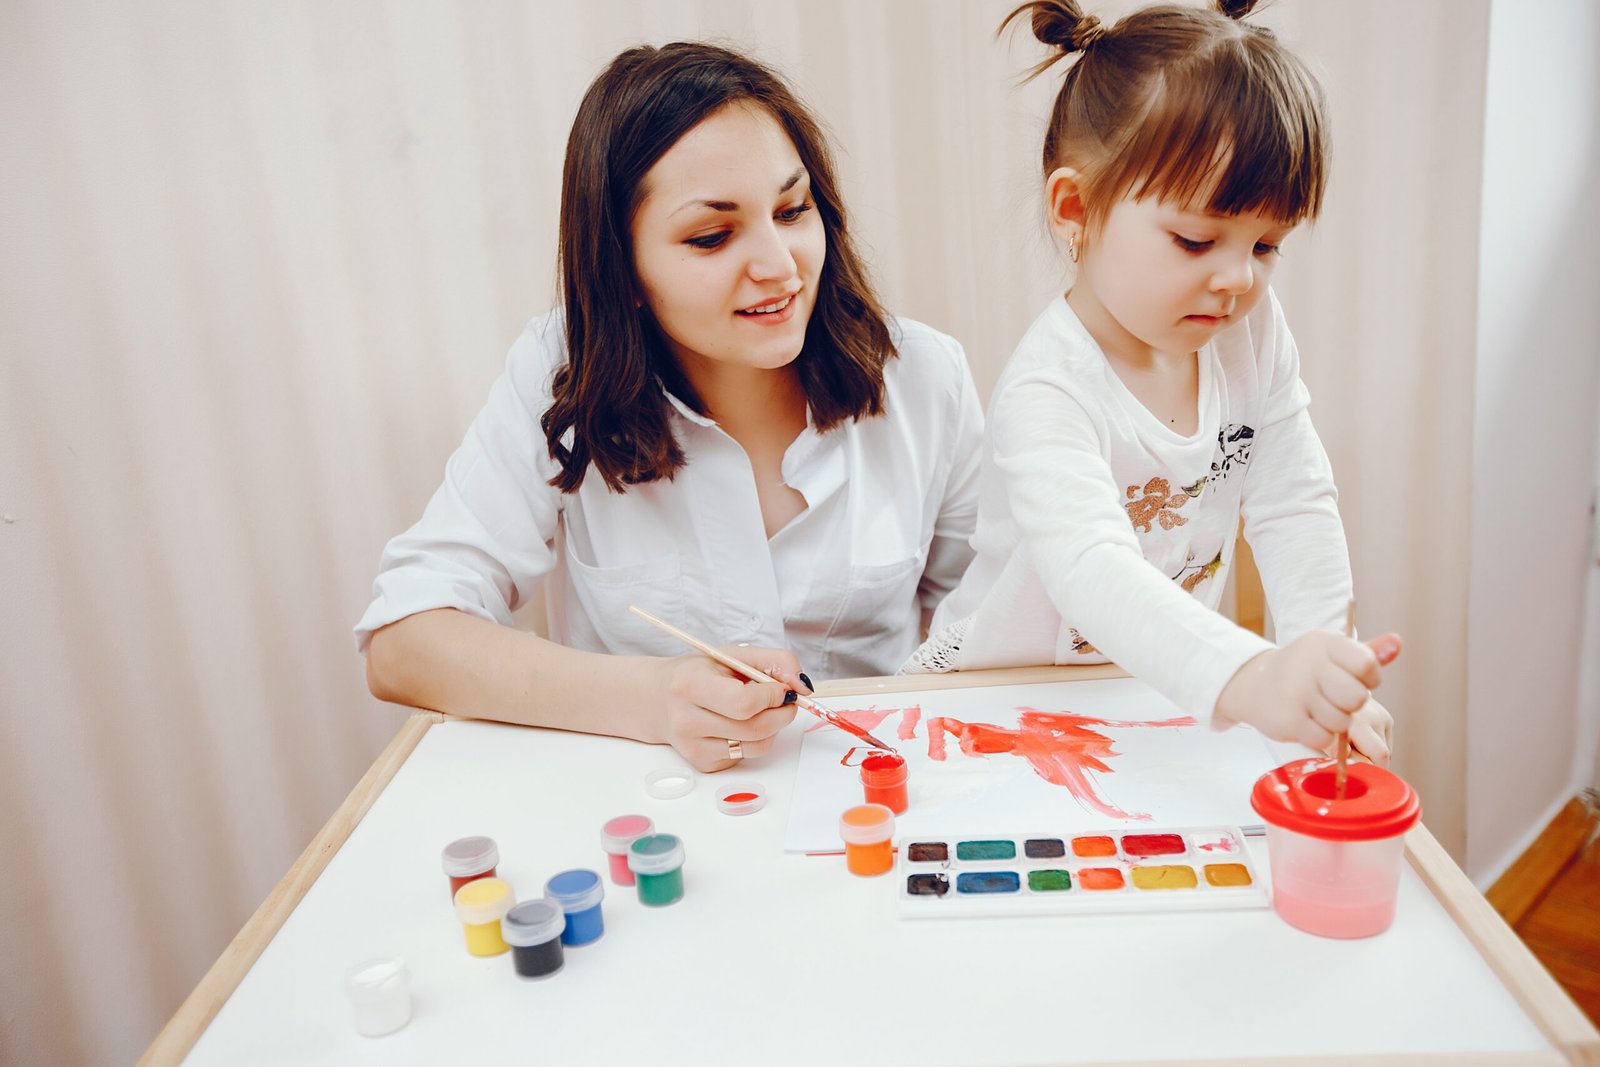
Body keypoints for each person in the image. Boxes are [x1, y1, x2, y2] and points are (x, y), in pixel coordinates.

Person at [357, 42, 983, 772]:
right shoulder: (559, 374)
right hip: (653, 818)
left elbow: (989, 622)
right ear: (620, 268)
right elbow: (403, 642)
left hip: (872, 800)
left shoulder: (923, 378)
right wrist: (653, 697)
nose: (780, 265)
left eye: (792, 208)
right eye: (712, 235)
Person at [906, 0, 1399, 762]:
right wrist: (1251, 673)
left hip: (1155, 684)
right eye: (1197, 239)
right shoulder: (1049, 389)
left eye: (1267, 245)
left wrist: (1319, 666)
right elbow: (1090, 569)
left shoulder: (1252, 339)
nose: (1237, 278)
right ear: (1077, 209)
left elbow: (1293, 501)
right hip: (1000, 694)